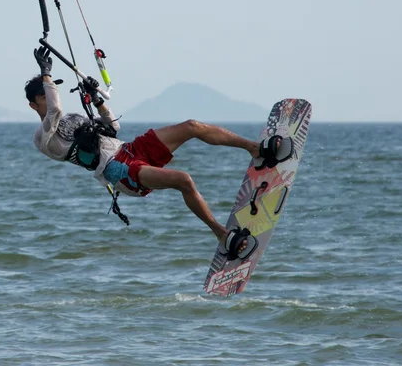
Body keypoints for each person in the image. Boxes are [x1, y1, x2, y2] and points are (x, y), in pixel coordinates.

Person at [25, 45, 294, 261]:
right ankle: (223, 235)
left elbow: (113, 127)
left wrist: (96, 99)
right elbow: (54, 111)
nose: (50, 95)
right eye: (44, 95)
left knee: (192, 126)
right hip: (118, 171)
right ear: (33, 103)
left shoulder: (70, 115)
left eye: (51, 90)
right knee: (184, 180)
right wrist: (46, 74)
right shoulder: (44, 137)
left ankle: (255, 149)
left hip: (129, 149)